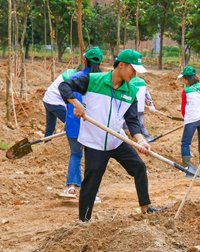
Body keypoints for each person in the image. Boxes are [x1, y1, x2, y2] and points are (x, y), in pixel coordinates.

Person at [59, 49, 166, 221]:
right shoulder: (93, 81)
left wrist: (141, 140)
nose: (135, 73)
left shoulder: (130, 91)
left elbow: (132, 121)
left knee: (139, 167)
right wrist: (76, 103)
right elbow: (64, 86)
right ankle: (84, 221)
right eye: (133, 69)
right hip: (95, 143)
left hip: (117, 140)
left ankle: (146, 208)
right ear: (121, 65)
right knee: (91, 183)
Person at [59, 47, 104, 200]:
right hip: (95, 125)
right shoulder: (102, 81)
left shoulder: (74, 78)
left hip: (74, 123)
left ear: (84, 61)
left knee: (76, 155)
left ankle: (72, 188)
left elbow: (66, 98)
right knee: (93, 158)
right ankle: (93, 193)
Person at [43, 66, 80, 137]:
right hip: (55, 102)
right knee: (71, 123)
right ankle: (67, 143)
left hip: (47, 99)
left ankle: (46, 144)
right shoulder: (73, 78)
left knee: (50, 128)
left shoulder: (70, 71)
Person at [128, 74, 156, 141]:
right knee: (140, 124)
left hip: (131, 108)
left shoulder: (128, 82)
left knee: (128, 123)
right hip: (140, 108)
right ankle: (147, 137)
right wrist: (151, 105)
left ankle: (130, 138)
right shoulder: (142, 81)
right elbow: (147, 94)